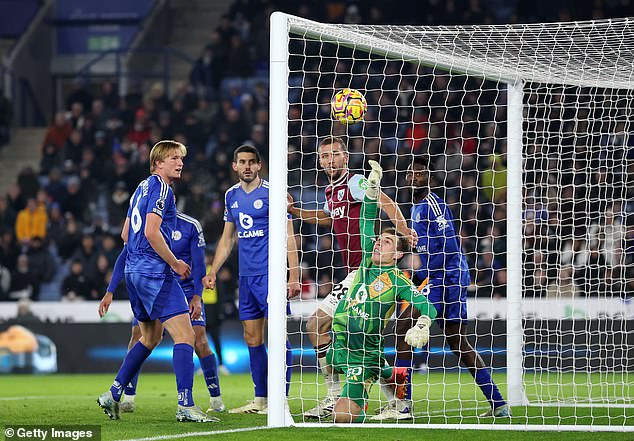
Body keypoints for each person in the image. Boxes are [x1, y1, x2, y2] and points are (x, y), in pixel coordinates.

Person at [287, 136, 416, 419]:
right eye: (324, 156)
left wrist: (404, 231)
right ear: (319, 161)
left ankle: (334, 395)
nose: (329, 160)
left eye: (334, 154)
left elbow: (385, 202)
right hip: (356, 274)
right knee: (361, 340)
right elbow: (326, 217)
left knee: (316, 324)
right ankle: (400, 401)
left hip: (367, 272)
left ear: (346, 158)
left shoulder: (355, 182)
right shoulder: (331, 191)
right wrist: (296, 211)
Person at [96, 140, 217, 423]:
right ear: (157, 163)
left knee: (150, 337)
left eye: (181, 159)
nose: (180, 163)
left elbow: (126, 234)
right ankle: (186, 405)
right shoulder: (163, 189)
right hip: (154, 272)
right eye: (173, 158)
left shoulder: (140, 188)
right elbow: (151, 231)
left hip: (133, 272)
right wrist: (174, 262)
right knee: (186, 336)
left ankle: (113, 393)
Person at [328, 160, 437, 423]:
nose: (378, 243)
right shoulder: (366, 260)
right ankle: (387, 372)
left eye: (386, 241)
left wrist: (422, 324)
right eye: (378, 240)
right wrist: (373, 188)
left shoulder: (398, 280)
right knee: (328, 353)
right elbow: (366, 218)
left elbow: (427, 305)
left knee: (341, 418)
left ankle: (366, 388)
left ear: (398, 253)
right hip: (339, 345)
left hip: (361, 354)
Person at [400, 156, 510, 417]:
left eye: (419, 173)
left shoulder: (432, 205)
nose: (413, 177)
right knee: (458, 343)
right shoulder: (416, 209)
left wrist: (436, 283)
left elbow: (449, 247)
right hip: (437, 278)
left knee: (403, 327)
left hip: (446, 279)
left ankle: (403, 404)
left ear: (429, 177)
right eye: (410, 174)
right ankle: (498, 403)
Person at [203, 145, 301, 414]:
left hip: (271, 276)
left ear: (259, 165)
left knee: (277, 339)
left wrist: (294, 276)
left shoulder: (274, 193)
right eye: (241, 162)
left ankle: (280, 399)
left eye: (251, 162)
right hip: (246, 278)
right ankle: (261, 399)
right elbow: (227, 238)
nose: (246, 166)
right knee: (251, 337)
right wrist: (212, 270)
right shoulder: (231, 196)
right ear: (234, 166)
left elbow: (289, 236)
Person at [99, 211, 225, 414]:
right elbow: (125, 255)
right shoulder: (147, 225)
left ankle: (215, 398)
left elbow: (199, 264)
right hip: (154, 285)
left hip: (182, 289)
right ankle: (128, 397)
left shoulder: (190, 225)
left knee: (199, 341)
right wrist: (110, 290)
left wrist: (196, 296)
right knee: (141, 337)